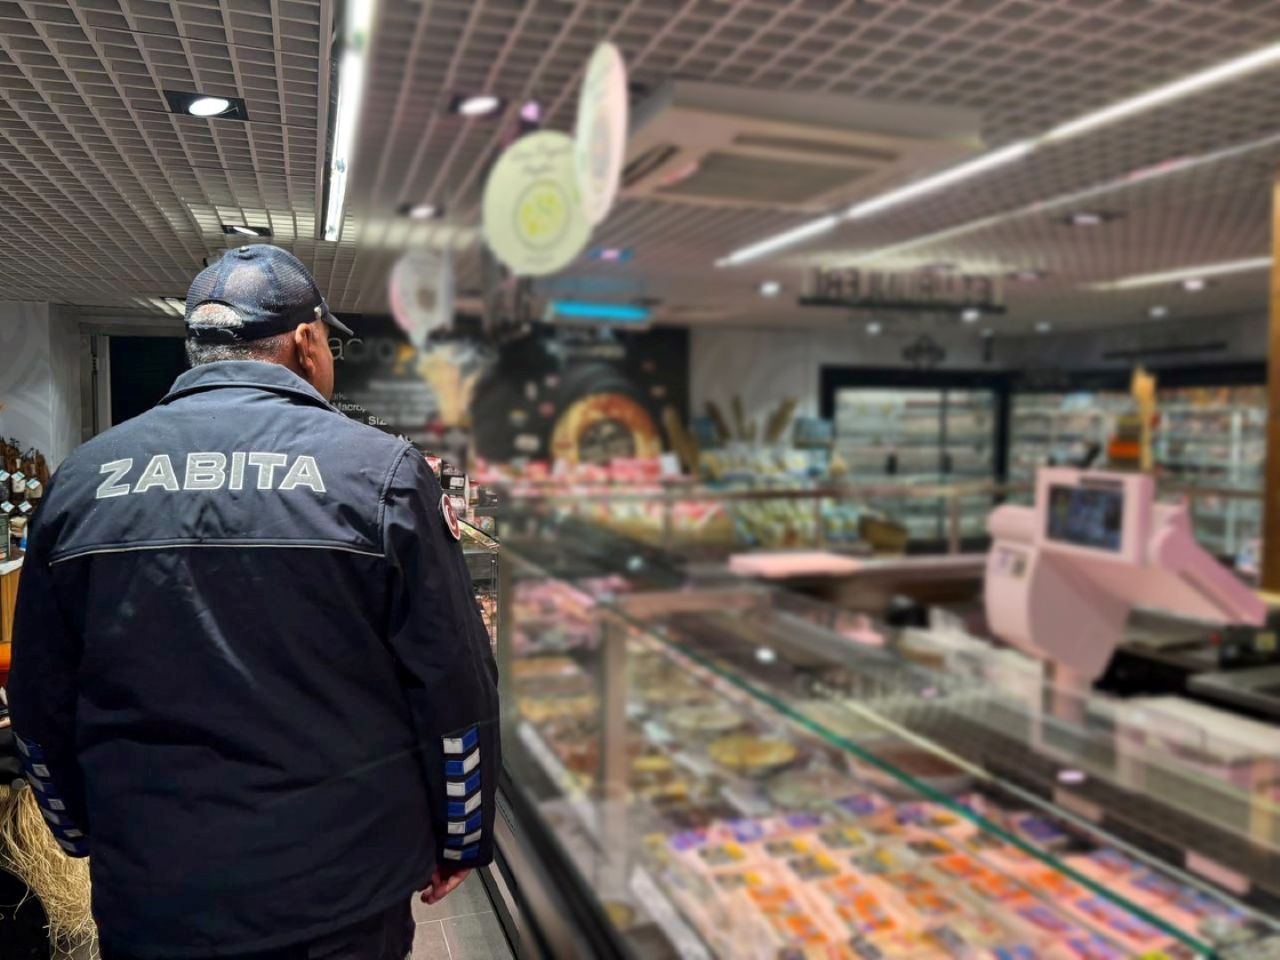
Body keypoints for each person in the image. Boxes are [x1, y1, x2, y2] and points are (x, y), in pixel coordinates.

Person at [6, 244, 500, 960]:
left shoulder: (82, 480)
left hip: (152, 884)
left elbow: (38, 694)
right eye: (325, 339)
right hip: (339, 889)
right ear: (305, 342)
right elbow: (453, 683)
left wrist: (76, 826)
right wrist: (462, 835)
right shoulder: (382, 475)